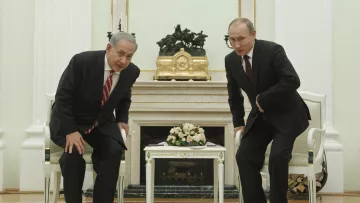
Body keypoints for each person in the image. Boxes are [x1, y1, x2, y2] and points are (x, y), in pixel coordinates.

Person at [225, 18, 311, 203]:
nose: (236, 44)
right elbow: (234, 95)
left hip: (288, 115)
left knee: (278, 156)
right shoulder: (231, 60)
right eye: (232, 40)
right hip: (261, 118)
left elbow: (292, 80)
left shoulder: (273, 50)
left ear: (254, 35)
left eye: (241, 39)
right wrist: (238, 123)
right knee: (244, 156)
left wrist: (264, 98)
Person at [49, 31, 140, 203]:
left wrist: (122, 119)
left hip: (100, 123)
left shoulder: (131, 72)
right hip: (69, 120)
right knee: (73, 153)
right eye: (120, 54)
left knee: (113, 151)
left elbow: (124, 97)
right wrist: (70, 131)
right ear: (108, 48)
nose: (124, 61)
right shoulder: (82, 62)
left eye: (129, 56)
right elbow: (63, 97)